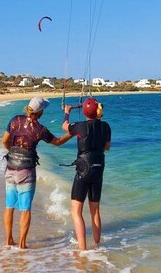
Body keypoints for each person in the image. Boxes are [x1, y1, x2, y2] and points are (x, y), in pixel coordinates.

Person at [2, 96, 72, 249]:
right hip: (26, 172)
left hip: (10, 168)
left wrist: (13, 153)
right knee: (25, 209)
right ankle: (22, 245)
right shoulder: (40, 129)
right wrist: (72, 133)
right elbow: (58, 142)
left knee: (9, 206)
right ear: (40, 112)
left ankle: (8, 241)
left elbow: (5, 141)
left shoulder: (15, 120)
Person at [62, 97, 111, 250]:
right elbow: (107, 147)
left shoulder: (81, 127)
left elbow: (64, 126)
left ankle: (83, 250)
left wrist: (67, 113)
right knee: (95, 211)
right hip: (98, 169)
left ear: (84, 112)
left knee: (76, 212)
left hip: (84, 170)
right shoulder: (106, 127)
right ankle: (97, 246)